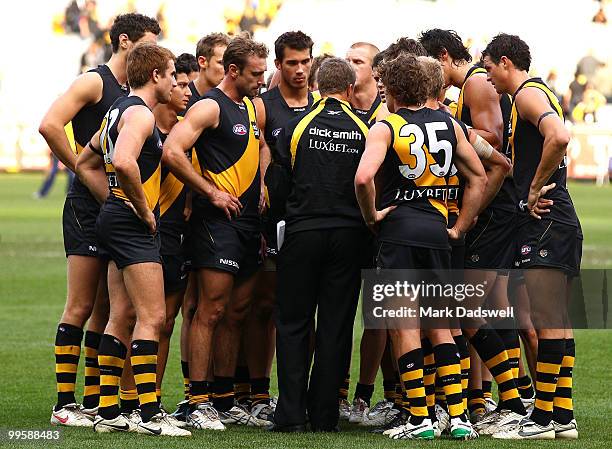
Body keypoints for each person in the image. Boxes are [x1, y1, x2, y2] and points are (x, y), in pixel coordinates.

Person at [355, 53, 486, 439]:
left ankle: (419, 418)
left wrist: (371, 216)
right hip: (436, 231)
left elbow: (364, 178)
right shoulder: (449, 123)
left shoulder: (386, 125)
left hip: (399, 232)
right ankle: (459, 419)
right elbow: (477, 177)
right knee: (441, 325)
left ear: (391, 89)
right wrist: (459, 227)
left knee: (403, 325)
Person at [39, 13, 160, 427]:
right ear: (124, 41)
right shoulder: (95, 81)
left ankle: (96, 401)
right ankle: (63, 403)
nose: (150, 51)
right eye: (146, 43)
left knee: (112, 306)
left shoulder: (134, 92)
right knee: (81, 302)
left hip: (116, 207)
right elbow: (49, 125)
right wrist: (82, 172)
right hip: (88, 205)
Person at [76, 41, 189, 437]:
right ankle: (149, 414)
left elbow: (84, 161)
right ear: (156, 75)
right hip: (130, 222)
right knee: (153, 317)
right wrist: (140, 208)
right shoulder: (140, 113)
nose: (176, 80)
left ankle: (108, 413)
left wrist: (112, 200)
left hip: (113, 219)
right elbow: (123, 161)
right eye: (173, 73)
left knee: (121, 315)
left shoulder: (116, 110)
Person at [420, 29, 529, 434]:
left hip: (492, 211)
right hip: (484, 210)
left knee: (473, 310)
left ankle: (513, 400)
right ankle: (489, 400)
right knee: (469, 310)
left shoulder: (477, 84)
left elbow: (495, 142)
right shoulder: (469, 88)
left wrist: (441, 128)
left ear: (444, 57)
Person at [162, 36, 270, 429]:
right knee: (210, 310)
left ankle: (224, 400)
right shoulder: (210, 106)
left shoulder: (251, 108)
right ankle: (197, 401)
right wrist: (210, 192)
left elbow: (258, 150)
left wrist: (262, 184)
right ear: (234, 70)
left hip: (246, 224)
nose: (263, 79)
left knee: (237, 312)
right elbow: (172, 151)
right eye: (256, 73)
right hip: (214, 223)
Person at [482, 33, 579, 440]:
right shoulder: (541, 92)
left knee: (545, 318)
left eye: (488, 69)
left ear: (506, 62)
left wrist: (535, 188)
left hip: (546, 220)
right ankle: (562, 415)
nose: (487, 79)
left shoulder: (525, 95)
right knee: (556, 318)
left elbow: (559, 136)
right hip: (560, 220)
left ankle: (541, 419)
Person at [272, 57, 370, 433]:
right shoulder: (365, 128)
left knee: (293, 323)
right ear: (349, 90)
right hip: (349, 236)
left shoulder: (297, 126)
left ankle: (292, 415)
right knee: (336, 324)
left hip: (302, 232)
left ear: (315, 86)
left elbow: (278, 183)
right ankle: (325, 415)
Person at [245, 30, 316, 423]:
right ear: (278, 65)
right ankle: (258, 392)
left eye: (306, 61)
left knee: (306, 315)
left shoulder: (322, 106)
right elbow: (259, 150)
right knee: (265, 306)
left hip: (308, 224)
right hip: (272, 221)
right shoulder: (263, 106)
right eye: (292, 62)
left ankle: (301, 394)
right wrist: (259, 189)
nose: (301, 69)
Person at [170, 33, 230, 422]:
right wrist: (196, 196)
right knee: (186, 307)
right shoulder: (184, 98)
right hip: (182, 214)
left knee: (209, 306)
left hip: (203, 214)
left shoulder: (230, 104)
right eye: (222, 61)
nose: (227, 68)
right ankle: (192, 396)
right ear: (204, 62)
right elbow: (176, 151)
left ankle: (209, 394)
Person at [152, 55, 196, 415]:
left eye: (187, 84)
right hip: (148, 228)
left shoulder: (188, 133)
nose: (185, 90)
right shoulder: (142, 125)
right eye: (179, 83)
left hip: (179, 233)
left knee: (167, 320)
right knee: (136, 318)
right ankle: (122, 401)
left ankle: (154, 398)